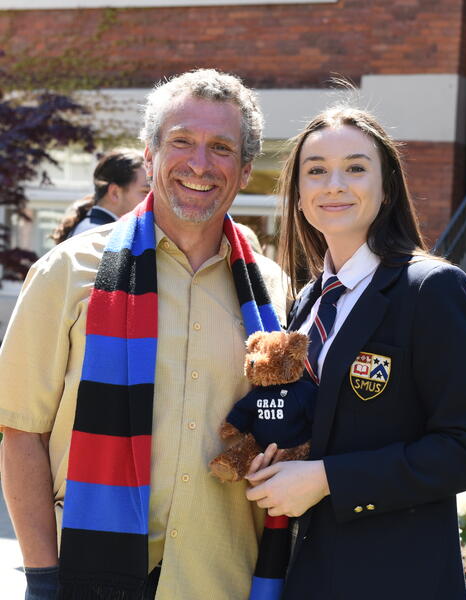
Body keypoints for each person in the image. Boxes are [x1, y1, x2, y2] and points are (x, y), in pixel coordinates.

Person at [0, 69, 287, 600]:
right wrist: (42, 578)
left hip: (223, 579)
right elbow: (20, 434)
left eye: (221, 147)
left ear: (246, 169)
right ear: (150, 156)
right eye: (181, 141)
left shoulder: (271, 292)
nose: (199, 164)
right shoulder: (66, 273)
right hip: (88, 573)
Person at [245, 106, 466, 599]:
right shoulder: (308, 301)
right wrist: (275, 460)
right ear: (299, 195)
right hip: (302, 574)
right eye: (316, 170)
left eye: (356, 168)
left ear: (387, 190)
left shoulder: (431, 289)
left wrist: (328, 479)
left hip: (394, 576)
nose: (334, 183)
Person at [51, 150, 150, 243]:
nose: (151, 198)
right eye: (146, 192)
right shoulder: (101, 237)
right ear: (115, 192)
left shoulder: (95, 230)